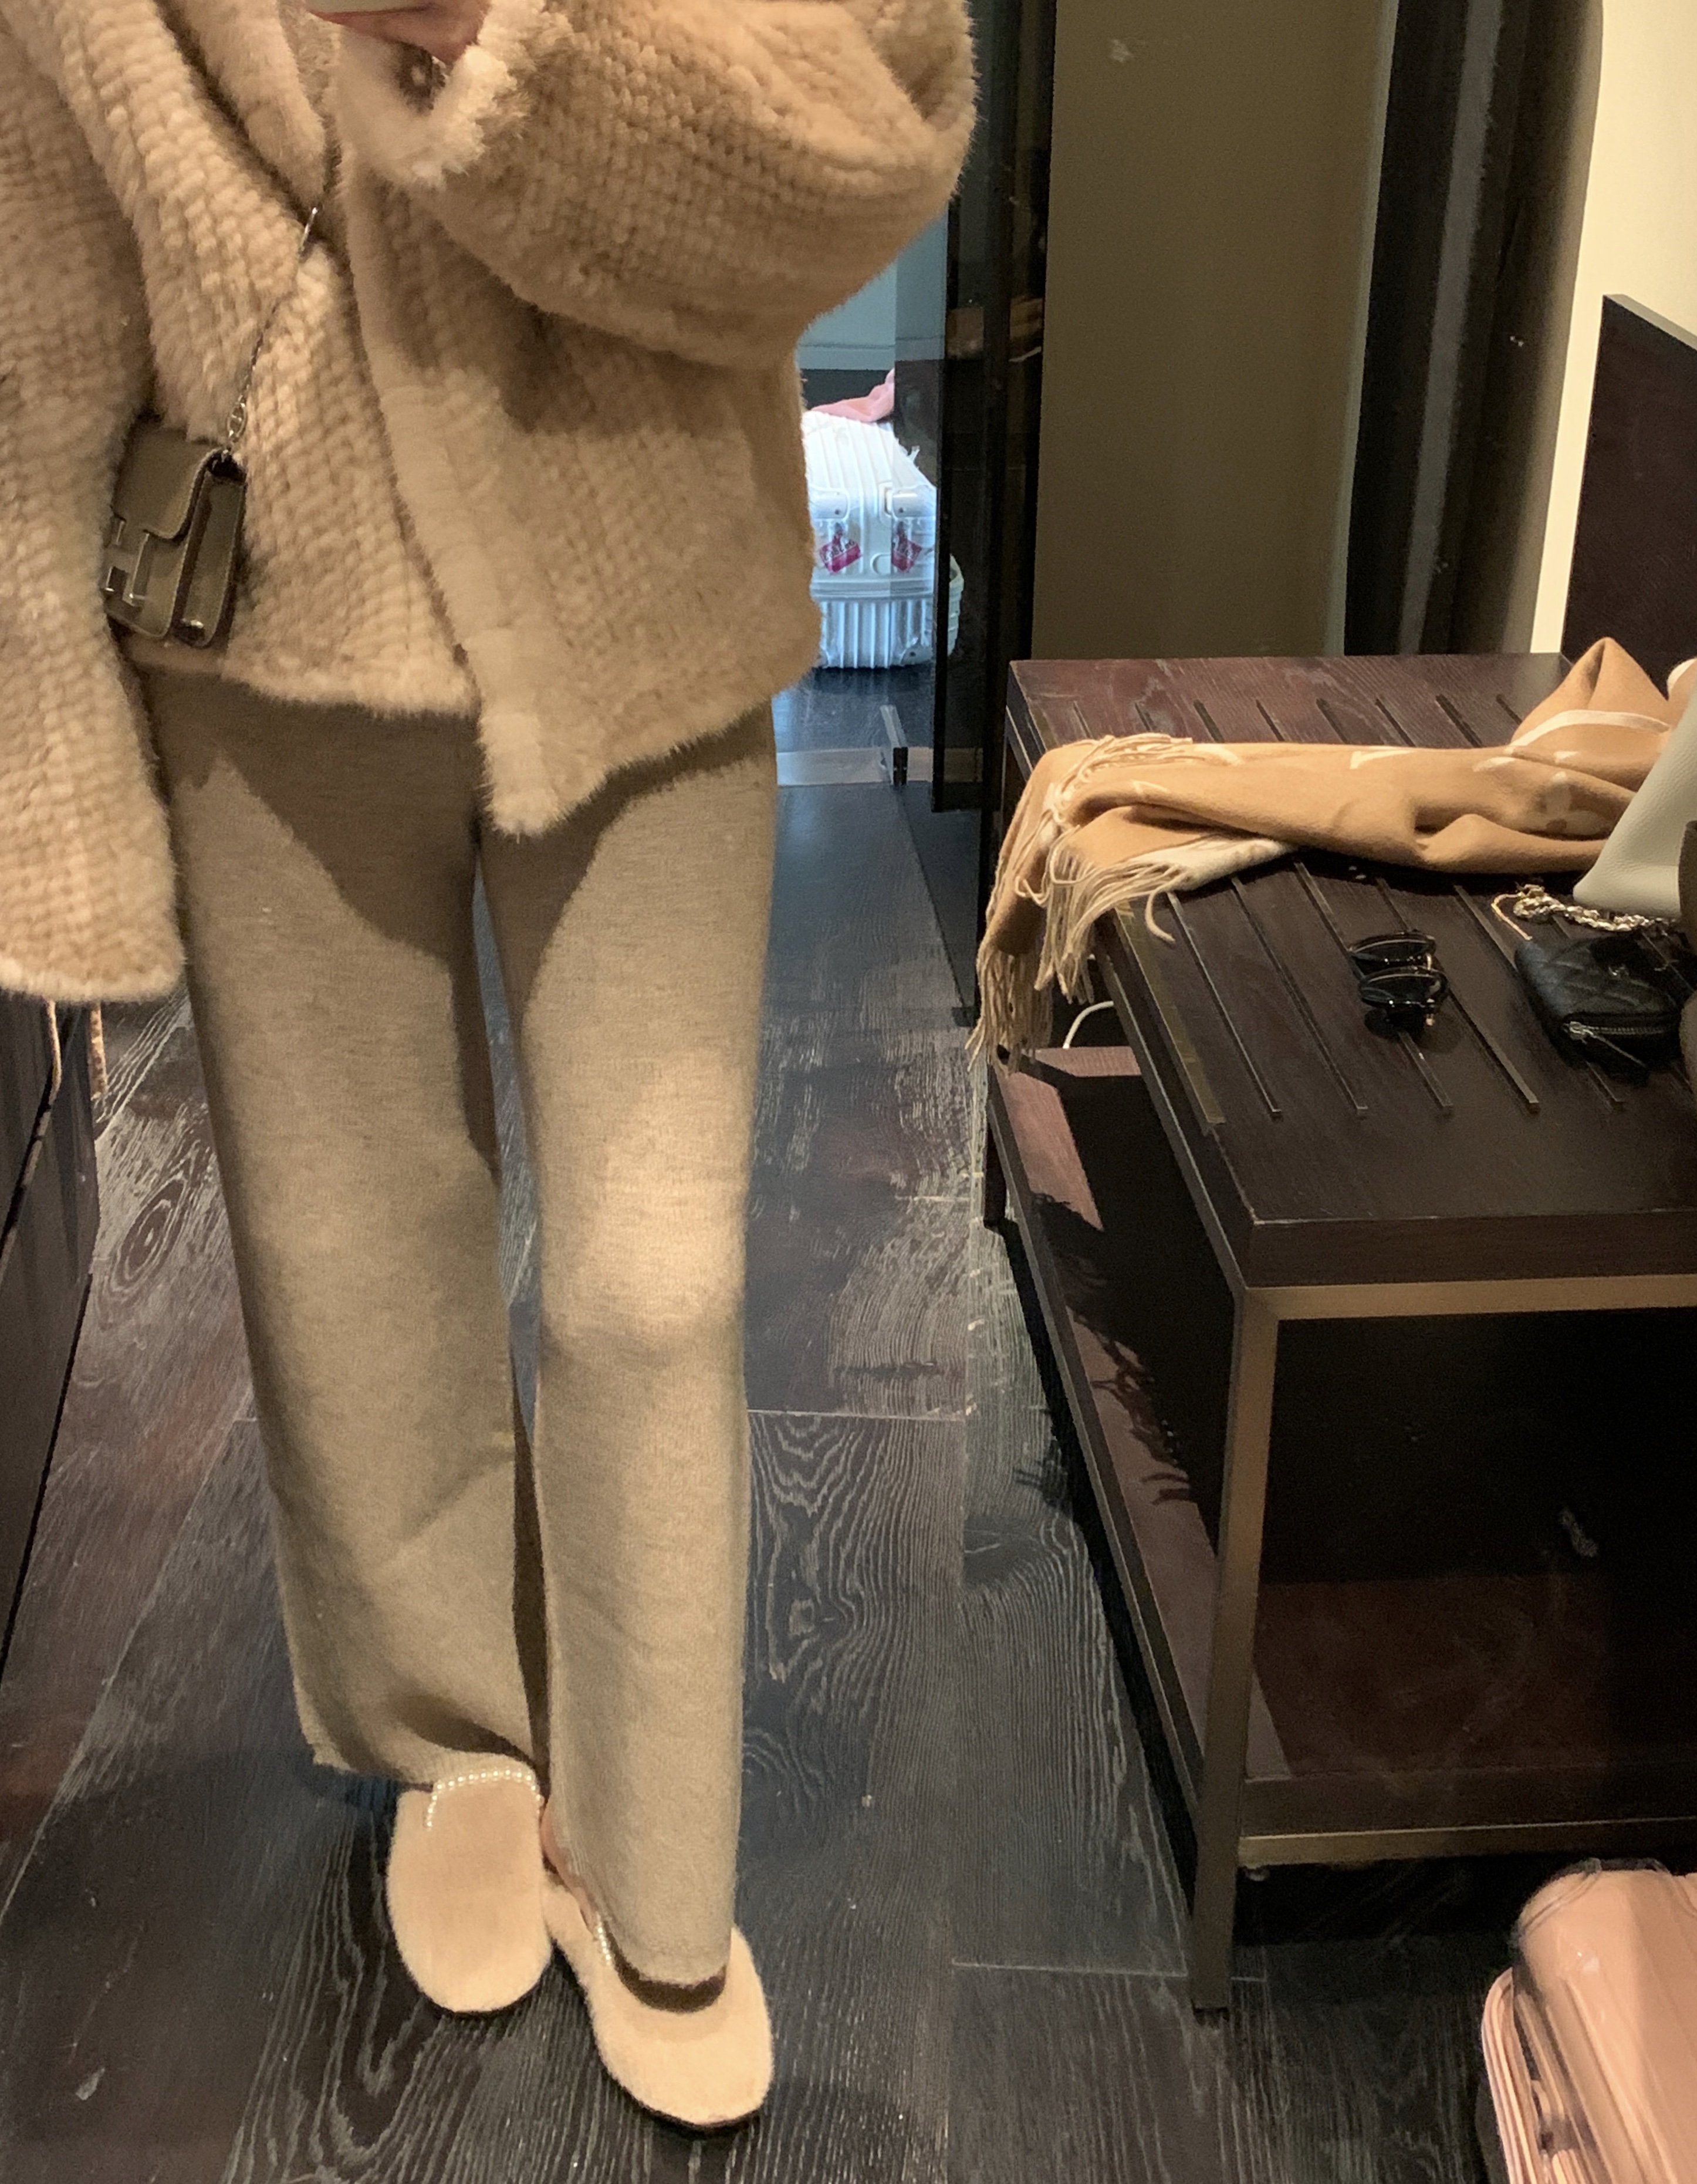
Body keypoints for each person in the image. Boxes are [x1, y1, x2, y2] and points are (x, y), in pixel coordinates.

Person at [0, 0, 971, 2128]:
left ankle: (652, 1844)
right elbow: (43, 310)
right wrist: (52, 792)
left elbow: (868, 135)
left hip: (649, 606)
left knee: (653, 1281)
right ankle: (451, 1740)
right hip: (260, 636)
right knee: (349, 1243)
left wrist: (494, 43)